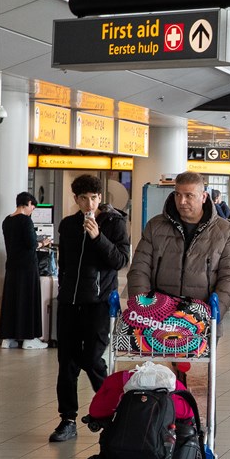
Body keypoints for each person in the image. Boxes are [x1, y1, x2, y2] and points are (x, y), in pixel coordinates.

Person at [48, 176, 131, 442]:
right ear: (76, 199)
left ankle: (111, 411)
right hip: (69, 302)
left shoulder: (115, 223)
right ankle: (67, 419)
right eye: (83, 198)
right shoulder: (68, 225)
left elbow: (120, 260)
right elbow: (64, 264)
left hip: (98, 303)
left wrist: (97, 237)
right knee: (67, 363)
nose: (89, 203)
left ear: (100, 197)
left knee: (92, 358)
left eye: (94, 197)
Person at [128, 171, 230, 321]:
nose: (181, 201)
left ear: (203, 197)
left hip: (201, 323)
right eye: (177, 195)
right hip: (156, 319)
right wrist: (143, 309)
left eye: (189, 195)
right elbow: (139, 270)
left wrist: (210, 316)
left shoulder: (226, 232)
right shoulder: (155, 227)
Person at [0, 192, 51, 349]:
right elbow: (31, 244)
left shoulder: (7, 221)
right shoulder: (25, 221)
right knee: (29, 300)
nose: (32, 210)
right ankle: (29, 339)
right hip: (27, 267)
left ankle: (8, 338)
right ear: (28, 203)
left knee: (11, 301)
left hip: (12, 266)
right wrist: (43, 243)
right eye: (32, 207)